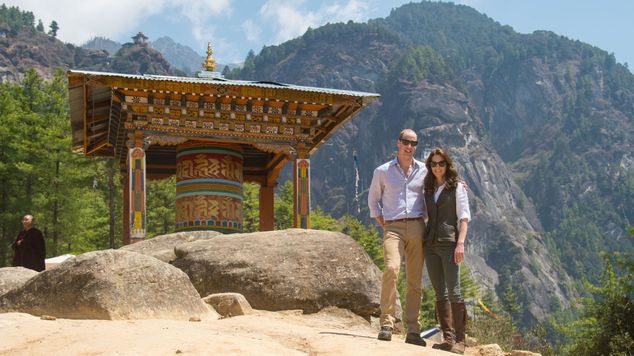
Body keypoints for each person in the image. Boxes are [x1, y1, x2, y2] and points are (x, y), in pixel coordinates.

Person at [368, 129, 427, 346]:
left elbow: (440, 184)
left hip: (417, 226)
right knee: (392, 269)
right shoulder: (382, 171)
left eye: (413, 143)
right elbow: (373, 201)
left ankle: (413, 330)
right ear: (398, 143)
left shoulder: (424, 170)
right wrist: (384, 223)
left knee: (414, 278)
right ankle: (387, 323)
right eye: (405, 142)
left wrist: (459, 185)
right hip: (392, 228)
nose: (409, 146)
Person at [422, 148, 471, 354]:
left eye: (441, 163)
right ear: (430, 166)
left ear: (447, 165)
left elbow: (464, 217)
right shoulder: (428, 187)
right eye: (433, 164)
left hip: (449, 244)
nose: (437, 167)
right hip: (430, 244)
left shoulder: (457, 187)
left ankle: (460, 341)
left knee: (454, 291)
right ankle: (447, 338)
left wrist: (460, 243)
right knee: (439, 291)